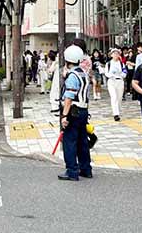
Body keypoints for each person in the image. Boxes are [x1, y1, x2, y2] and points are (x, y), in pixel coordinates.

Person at [58, 45, 92, 181]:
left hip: (73, 111)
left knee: (70, 141)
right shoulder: (84, 73)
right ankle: (86, 169)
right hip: (83, 110)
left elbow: (69, 98)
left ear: (67, 60)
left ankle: (72, 171)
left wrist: (64, 116)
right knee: (82, 141)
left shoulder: (72, 76)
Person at [105, 48, 127, 121]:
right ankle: (116, 114)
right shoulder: (108, 64)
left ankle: (118, 111)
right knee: (114, 97)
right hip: (111, 81)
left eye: (117, 53)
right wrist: (111, 75)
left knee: (119, 98)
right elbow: (106, 73)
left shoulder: (121, 63)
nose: (115, 55)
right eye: (114, 53)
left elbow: (125, 72)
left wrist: (122, 74)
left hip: (120, 81)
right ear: (111, 55)